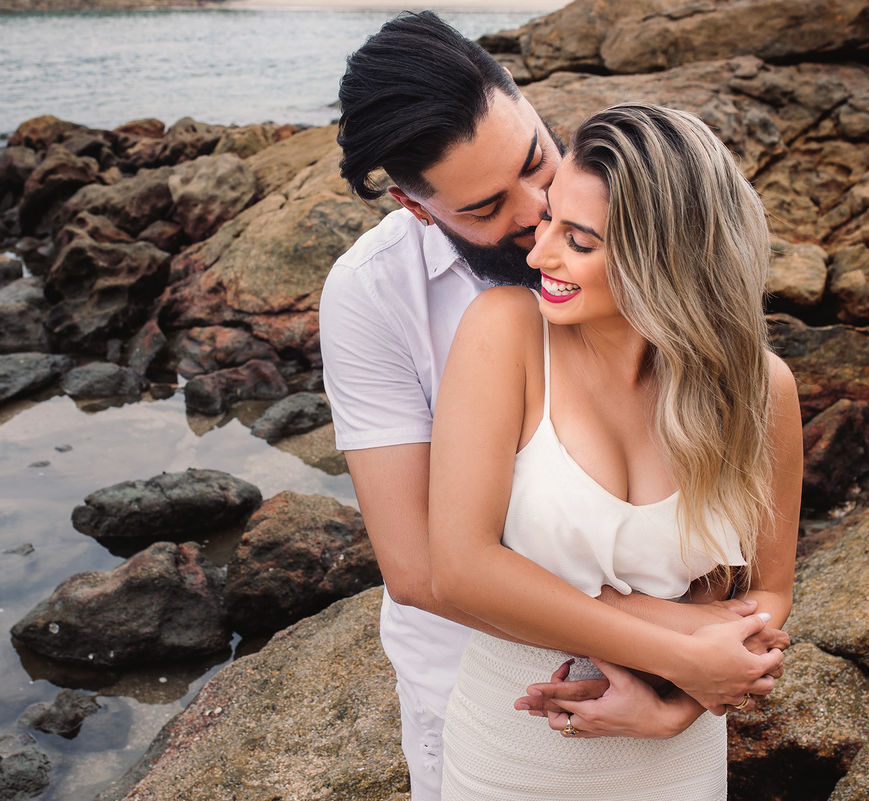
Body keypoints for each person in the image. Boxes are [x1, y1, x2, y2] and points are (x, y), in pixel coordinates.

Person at [320, 13, 788, 799]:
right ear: (416, 207)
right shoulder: (374, 294)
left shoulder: (636, 223)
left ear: (526, 101)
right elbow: (423, 569)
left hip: (674, 725)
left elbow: (756, 562)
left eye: (537, 160)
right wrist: (679, 646)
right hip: (492, 692)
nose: (536, 213)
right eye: (487, 207)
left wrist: (682, 692)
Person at [427, 102, 803, 799]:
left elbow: (768, 590)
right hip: (516, 750)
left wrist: (677, 707)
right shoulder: (505, 334)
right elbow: (460, 567)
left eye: (580, 239)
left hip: (678, 758)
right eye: (548, 221)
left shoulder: (763, 391)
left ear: (666, 258)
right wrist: (679, 646)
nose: (538, 254)